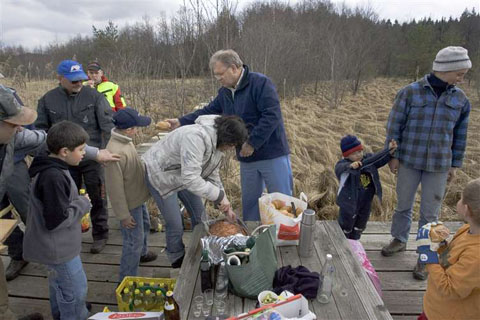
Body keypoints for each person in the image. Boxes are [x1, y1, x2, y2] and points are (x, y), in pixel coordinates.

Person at [165, 49, 292, 222]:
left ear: (233, 68)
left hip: (272, 154)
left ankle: (285, 241)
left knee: (282, 201)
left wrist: (252, 142)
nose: (218, 79)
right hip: (247, 158)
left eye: (220, 74)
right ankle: (252, 238)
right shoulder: (225, 91)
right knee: (250, 204)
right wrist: (181, 121)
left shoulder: (260, 83)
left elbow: (272, 116)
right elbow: (208, 110)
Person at [381, 46, 472, 280]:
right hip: (409, 160)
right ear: (446, 69)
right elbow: (394, 125)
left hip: (440, 165)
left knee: (431, 214)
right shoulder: (410, 93)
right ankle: (399, 239)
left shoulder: (461, 100)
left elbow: (460, 135)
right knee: (403, 204)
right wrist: (392, 155)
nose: (462, 77)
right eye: (460, 72)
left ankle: (425, 258)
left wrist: (454, 164)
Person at [143, 114, 248, 267]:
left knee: (200, 217)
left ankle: (203, 250)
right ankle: (177, 258)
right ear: (226, 137)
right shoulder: (195, 138)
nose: (232, 148)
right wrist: (218, 196)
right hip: (161, 174)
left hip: (183, 175)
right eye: (232, 145)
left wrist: (225, 204)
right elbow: (191, 179)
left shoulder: (216, 145)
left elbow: (212, 174)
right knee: (175, 223)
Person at [36, 60, 114, 254]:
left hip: (91, 158)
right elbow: (40, 130)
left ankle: (101, 234)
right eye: (73, 81)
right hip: (62, 162)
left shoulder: (94, 97)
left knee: (97, 197)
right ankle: (71, 235)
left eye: (80, 79)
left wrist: (105, 152)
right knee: (65, 200)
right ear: (60, 78)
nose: (78, 83)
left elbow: (107, 126)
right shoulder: (47, 100)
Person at [23, 121, 91, 320]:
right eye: (80, 149)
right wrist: (82, 204)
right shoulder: (52, 176)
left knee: (60, 286)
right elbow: (56, 221)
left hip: (59, 248)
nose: (84, 153)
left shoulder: (53, 167)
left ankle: (61, 314)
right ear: (64, 151)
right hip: (58, 250)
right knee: (75, 291)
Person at [105, 107, 157, 283]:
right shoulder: (115, 151)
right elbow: (114, 188)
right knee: (132, 242)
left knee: (145, 225)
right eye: (137, 127)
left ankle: (142, 254)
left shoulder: (126, 141)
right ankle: (126, 280)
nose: (138, 130)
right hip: (128, 204)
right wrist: (123, 216)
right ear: (129, 129)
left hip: (138, 198)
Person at [416, 178, 480, 320]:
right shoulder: (467, 229)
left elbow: (450, 289)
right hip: (437, 306)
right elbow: (452, 258)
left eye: (462, 198)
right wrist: (441, 244)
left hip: (449, 314)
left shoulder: (476, 256)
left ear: (466, 209)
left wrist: (428, 255)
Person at [335, 135, 397, 240]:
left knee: (361, 221)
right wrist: (350, 166)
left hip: (366, 200)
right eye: (354, 154)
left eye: (360, 151)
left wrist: (389, 153)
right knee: (346, 222)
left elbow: (378, 159)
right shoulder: (344, 164)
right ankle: (343, 239)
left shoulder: (368, 160)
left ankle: (355, 239)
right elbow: (339, 169)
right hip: (349, 202)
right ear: (346, 156)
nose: (358, 155)